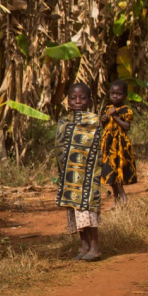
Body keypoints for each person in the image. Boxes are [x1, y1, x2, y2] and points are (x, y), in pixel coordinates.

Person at [56, 83, 104, 261]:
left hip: (87, 178)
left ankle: (95, 248)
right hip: (70, 178)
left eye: (82, 98)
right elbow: (60, 146)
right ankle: (84, 246)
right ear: (67, 100)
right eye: (73, 98)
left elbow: (97, 147)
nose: (77, 101)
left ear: (90, 100)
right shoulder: (64, 121)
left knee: (88, 212)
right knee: (76, 213)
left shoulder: (94, 120)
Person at [100, 80, 137, 206]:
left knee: (118, 173)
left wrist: (115, 116)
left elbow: (126, 127)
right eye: (112, 93)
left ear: (125, 96)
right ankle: (116, 201)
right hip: (108, 146)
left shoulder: (126, 111)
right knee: (110, 174)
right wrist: (104, 120)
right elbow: (105, 126)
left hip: (120, 146)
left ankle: (123, 199)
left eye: (119, 94)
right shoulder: (107, 109)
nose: (115, 96)